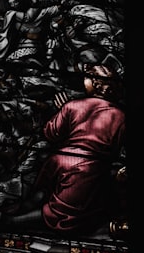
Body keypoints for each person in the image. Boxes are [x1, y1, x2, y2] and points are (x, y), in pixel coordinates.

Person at [30, 64, 126, 234]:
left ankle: (12, 216)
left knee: (42, 196)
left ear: (95, 83)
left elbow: (51, 133)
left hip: (60, 159)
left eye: (86, 78)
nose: (84, 82)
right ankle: (14, 220)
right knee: (65, 215)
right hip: (88, 166)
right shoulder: (120, 115)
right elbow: (117, 148)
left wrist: (63, 111)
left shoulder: (73, 105)